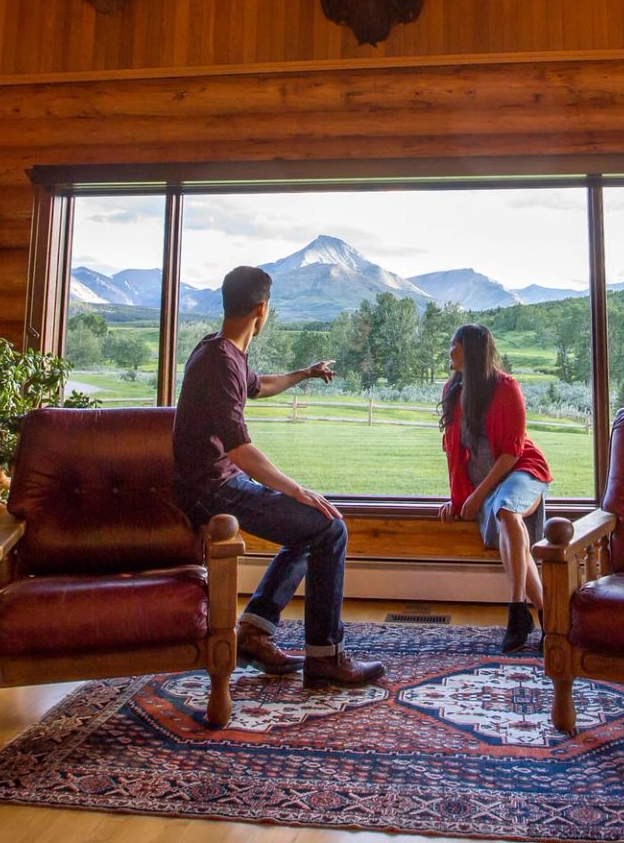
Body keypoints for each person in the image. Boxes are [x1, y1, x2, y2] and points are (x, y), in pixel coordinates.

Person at [171, 265, 386, 687]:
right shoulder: (219, 362)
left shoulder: (223, 351)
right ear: (262, 309)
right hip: (209, 489)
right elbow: (240, 448)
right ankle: (325, 656)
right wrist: (297, 490)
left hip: (217, 480)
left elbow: (261, 385)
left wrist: (305, 372)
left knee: (314, 527)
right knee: (329, 527)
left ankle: (253, 630)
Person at [437, 324, 553, 652]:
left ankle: (516, 609)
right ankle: (548, 618)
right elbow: (455, 455)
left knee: (506, 511)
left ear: (469, 351)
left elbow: (512, 453)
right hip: (488, 485)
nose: (450, 352)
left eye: (454, 345)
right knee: (509, 526)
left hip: (521, 471)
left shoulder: (506, 388)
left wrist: (476, 496)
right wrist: (458, 499)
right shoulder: (453, 390)